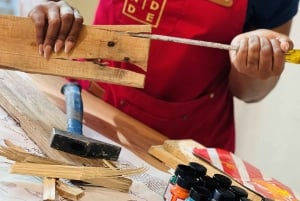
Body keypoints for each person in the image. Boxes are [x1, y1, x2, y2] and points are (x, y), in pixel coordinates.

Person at [27, 0, 299, 152]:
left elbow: (250, 92)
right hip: (88, 109)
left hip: (183, 146)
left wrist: (256, 63)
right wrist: (55, 11)